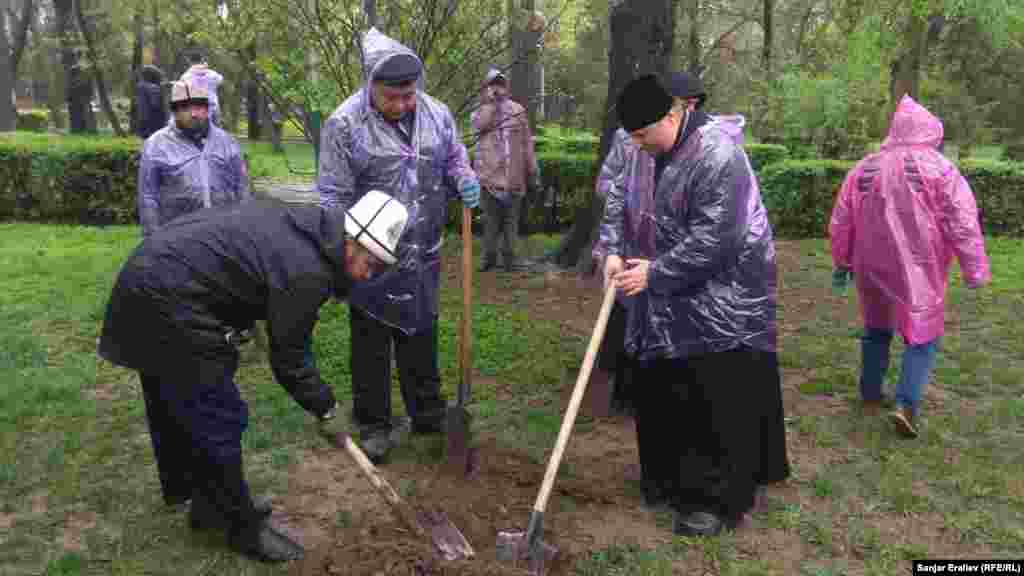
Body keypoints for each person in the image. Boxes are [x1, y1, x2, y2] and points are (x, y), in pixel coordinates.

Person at [97, 191, 410, 562]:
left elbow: (255, 271)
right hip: (168, 296)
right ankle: (241, 529)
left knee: (183, 404)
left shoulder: (308, 228)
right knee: (217, 415)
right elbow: (290, 357)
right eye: (369, 265)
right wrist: (327, 409)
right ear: (350, 241)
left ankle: (210, 504)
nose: (366, 276)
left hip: (154, 275)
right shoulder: (307, 270)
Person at [612, 74, 790, 537]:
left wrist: (655, 272)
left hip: (726, 297)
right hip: (669, 288)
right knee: (667, 385)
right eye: (632, 137)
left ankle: (715, 500)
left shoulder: (717, 154)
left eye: (644, 135)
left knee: (713, 395)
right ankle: (670, 481)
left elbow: (718, 238)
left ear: (673, 114)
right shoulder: (645, 148)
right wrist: (611, 248)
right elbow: (621, 197)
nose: (638, 145)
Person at [317, 28, 480, 464]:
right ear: (371, 85)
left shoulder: (437, 113)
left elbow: (452, 156)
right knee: (371, 340)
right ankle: (373, 424)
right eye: (393, 97)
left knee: (420, 332)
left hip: (423, 249)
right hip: (369, 253)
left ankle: (426, 410)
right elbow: (331, 195)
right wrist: (343, 251)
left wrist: (463, 176)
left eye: (409, 95)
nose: (404, 105)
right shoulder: (344, 124)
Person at [829, 94, 991, 437]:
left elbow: (842, 218)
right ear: (930, 131)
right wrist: (974, 269)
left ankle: (871, 393)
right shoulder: (940, 168)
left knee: (876, 327)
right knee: (923, 334)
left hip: (871, 262)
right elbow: (962, 220)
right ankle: (906, 404)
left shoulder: (865, 167)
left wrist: (842, 259)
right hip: (919, 264)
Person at [593, 70, 708, 422]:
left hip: (669, 260)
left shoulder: (702, 149)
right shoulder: (630, 141)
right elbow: (610, 184)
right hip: (634, 247)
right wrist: (614, 244)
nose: (689, 110)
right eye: (684, 102)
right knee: (629, 318)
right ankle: (623, 389)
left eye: (694, 105)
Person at [137, 80, 250, 238]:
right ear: (175, 111)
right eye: (185, 108)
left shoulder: (227, 142)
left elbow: (242, 188)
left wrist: (244, 229)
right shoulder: (156, 145)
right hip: (177, 236)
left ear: (208, 109)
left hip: (223, 234)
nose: (193, 114)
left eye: (198, 107)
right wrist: (153, 238)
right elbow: (148, 196)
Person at [471, 67, 541, 272]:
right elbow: (479, 127)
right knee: (491, 221)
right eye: (493, 84)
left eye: (500, 84)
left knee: (511, 221)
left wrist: (532, 170)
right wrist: (490, 104)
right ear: (485, 88)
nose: (497, 89)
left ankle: (510, 259)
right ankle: (488, 259)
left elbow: (527, 142)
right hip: (489, 178)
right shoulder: (481, 111)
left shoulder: (517, 110)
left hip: (514, 177)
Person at [180, 52, 225, 125]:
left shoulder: (186, 76)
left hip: (195, 108)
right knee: (215, 132)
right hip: (212, 105)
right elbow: (221, 80)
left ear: (190, 62)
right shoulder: (212, 74)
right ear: (202, 60)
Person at [136, 65, 168, 140]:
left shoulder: (140, 85)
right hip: (154, 120)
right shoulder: (154, 88)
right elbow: (155, 104)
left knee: (145, 140)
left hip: (143, 118)